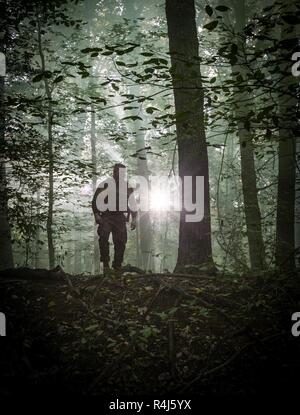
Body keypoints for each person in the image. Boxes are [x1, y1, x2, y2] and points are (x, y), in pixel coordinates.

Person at [92, 163, 137, 272]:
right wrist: (97, 214)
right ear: (114, 172)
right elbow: (95, 200)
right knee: (103, 238)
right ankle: (106, 265)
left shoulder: (127, 187)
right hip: (106, 216)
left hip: (120, 217)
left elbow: (133, 203)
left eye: (123, 172)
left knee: (121, 242)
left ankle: (117, 265)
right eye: (119, 172)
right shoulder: (105, 184)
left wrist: (134, 218)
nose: (121, 174)